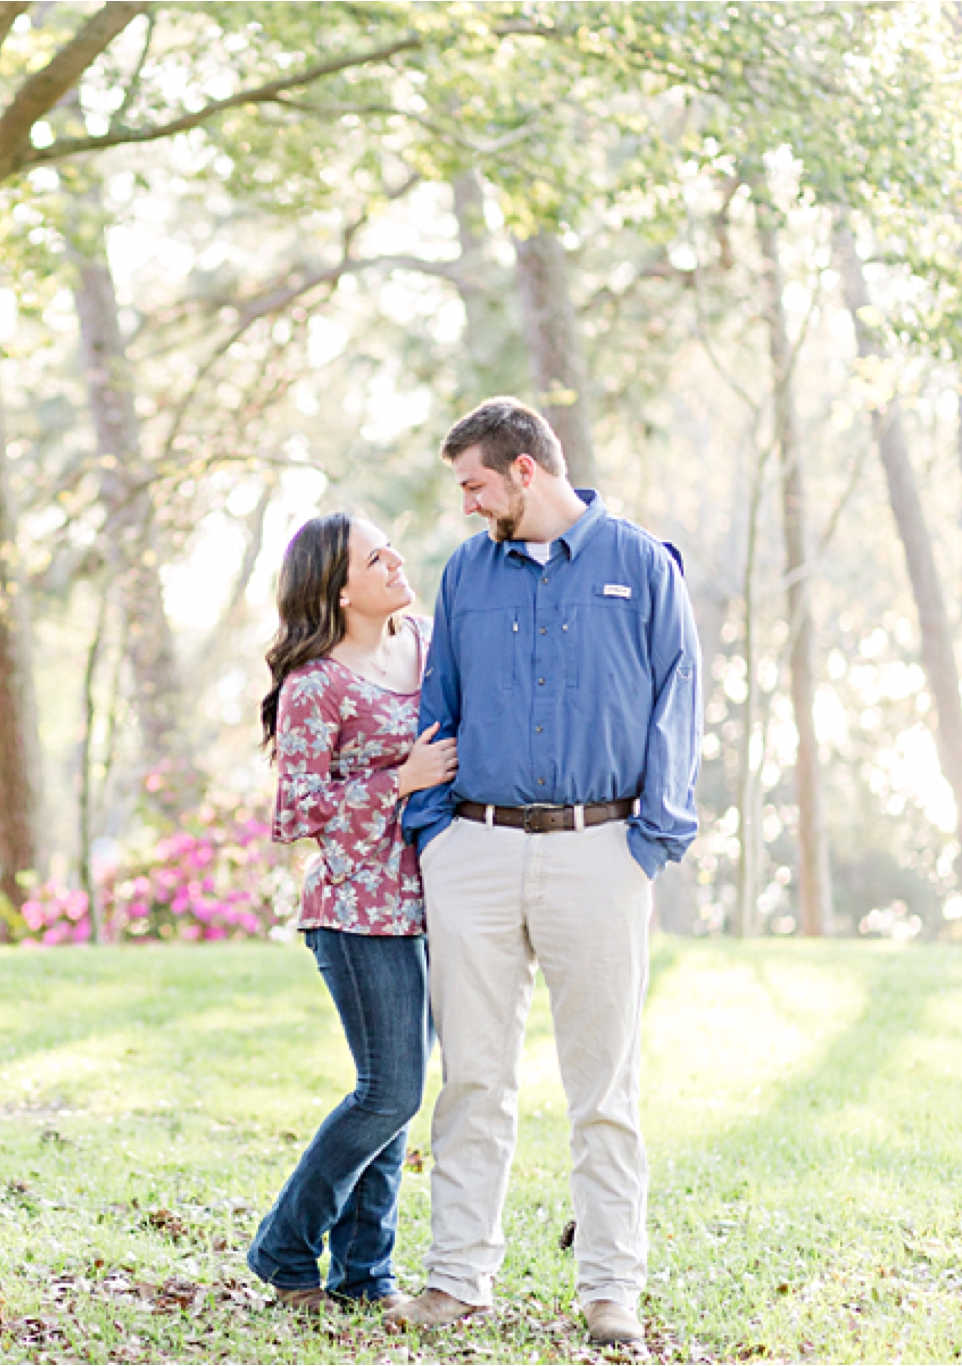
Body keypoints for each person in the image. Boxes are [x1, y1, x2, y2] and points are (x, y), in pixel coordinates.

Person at [386, 399, 701, 1348]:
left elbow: (678, 698)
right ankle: (456, 1281)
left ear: (525, 470)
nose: (470, 504)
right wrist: (436, 831)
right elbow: (436, 707)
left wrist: (650, 840)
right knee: (472, 1081)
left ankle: (611, 1292)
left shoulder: (641, 566)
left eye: (477, 485)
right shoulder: (467, 573)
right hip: (474, 852)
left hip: (600, 852)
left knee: (604, 1089)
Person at [247, 511, 459, 1313]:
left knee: (395, 1098)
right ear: (338, 590)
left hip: (433, 897)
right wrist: (397, 780)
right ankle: (284, 1247)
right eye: (376, 558)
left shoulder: (427, 641)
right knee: (390, 1091)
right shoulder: (316, 685)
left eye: (390, 547)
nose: (397, 561)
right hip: (356, 909)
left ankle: (364, 1279)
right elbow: (294, 814)